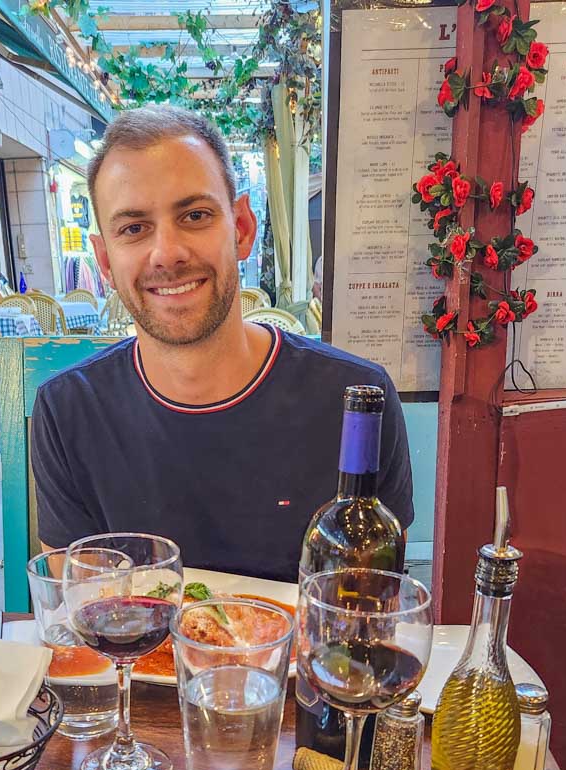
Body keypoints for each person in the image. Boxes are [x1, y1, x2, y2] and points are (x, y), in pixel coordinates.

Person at [30, 107, 413, 582]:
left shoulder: (356, 402)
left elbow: (371, 605)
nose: (167, 253)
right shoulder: (67, 411)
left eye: (195, 215)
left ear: (243, 228)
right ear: (105, 261)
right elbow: (86, 608)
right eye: (134, 228)